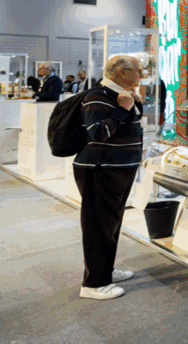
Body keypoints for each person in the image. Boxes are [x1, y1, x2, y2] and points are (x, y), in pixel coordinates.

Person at [73, 55, 145, 300]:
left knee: (111, 223)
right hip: (100, 168)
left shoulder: (120, 95)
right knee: (98, 226)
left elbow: (129, 126)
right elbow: (98, 133)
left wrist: (131, 104)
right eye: (138, 70)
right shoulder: (97, 95)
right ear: (119, 72)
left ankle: (105, 271)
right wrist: (123, 109)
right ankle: (94, 284)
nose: (142, 75)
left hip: (118, 167)